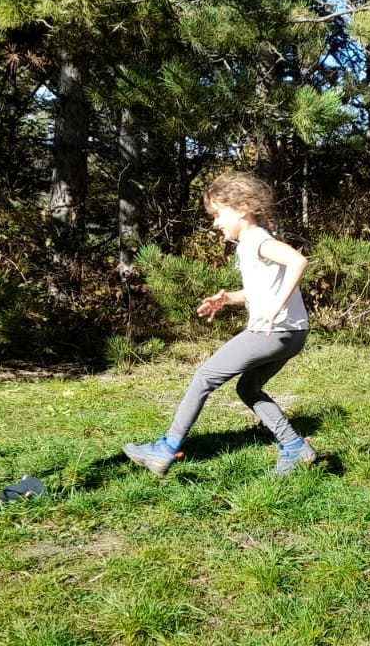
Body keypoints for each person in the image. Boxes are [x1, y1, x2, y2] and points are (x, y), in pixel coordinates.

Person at [123, 172, 317, 477]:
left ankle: (166, 449)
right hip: (292, 333)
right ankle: (294, 446)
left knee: (204, 377)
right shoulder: (249, 244)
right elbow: (260, 290)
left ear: (242, 208)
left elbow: (298, 261)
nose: (215, 223)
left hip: (273, 331)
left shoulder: (257, 239)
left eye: (217, 214)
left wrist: (275, 307)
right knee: (248, 388)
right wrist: (228, 299)